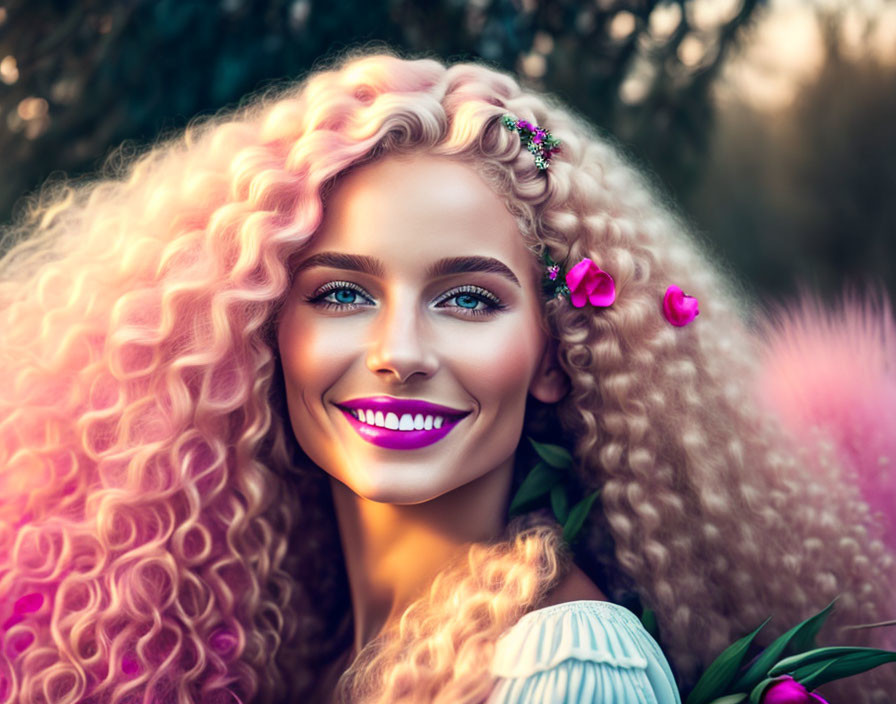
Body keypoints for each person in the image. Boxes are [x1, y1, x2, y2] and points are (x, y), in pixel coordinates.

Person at [0, 51, 892, 704]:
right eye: (343, 292)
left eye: (467, 300)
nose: (401, 350)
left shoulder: (565, 665)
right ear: (263, 333)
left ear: (554, 356)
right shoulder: (319, 650)